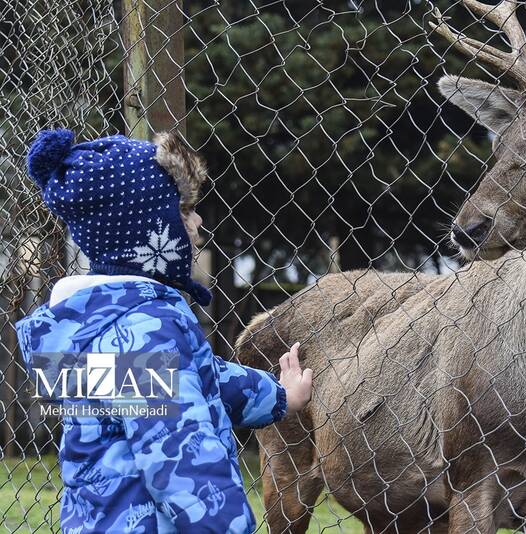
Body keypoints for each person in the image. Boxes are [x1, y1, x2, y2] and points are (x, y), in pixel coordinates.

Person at [15, 129, 313, 533]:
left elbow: (200, 380)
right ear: (145, 233)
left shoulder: (95, 325)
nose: (198, 220)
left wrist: (279, 396)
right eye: (184, 210)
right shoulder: (145, 329)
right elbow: (181, 460)